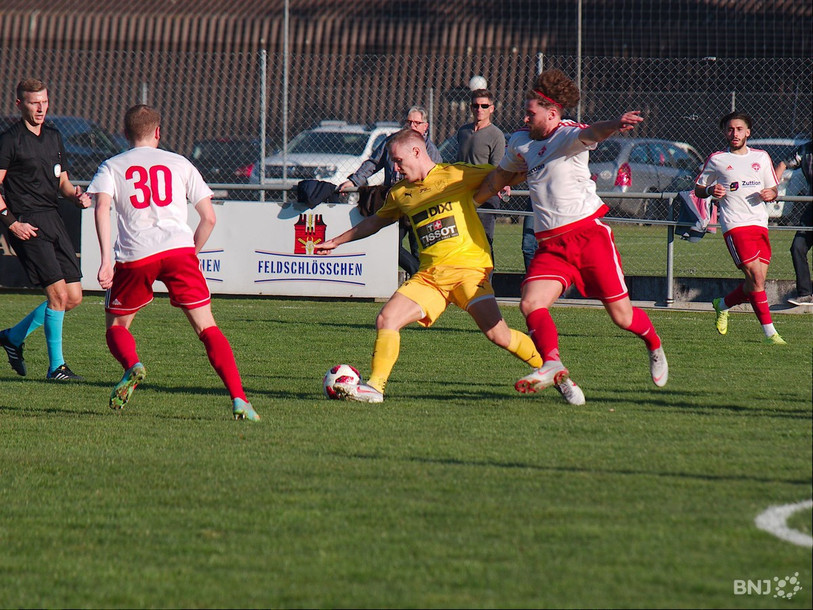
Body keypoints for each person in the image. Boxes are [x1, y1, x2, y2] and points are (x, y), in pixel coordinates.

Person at [315, 128, 574, 404]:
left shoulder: (456, 174)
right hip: (429, 278)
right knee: (386, 319)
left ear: (416, 152)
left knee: (498, 335)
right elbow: (376, 221)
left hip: (469, 272)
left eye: (398, 161)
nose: (395, 168)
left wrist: (534, 167)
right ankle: (375, 388)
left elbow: (503, 174)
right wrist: (337, 241)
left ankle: (557, 375)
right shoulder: (400, 193)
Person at [474, 68, 668, 401]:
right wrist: (469, 202)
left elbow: (593, 132)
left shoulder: (567, 135)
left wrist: (615, 124)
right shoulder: (520, 141)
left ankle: (654, 343)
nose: (525, 117)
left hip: (589, 238)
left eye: (531, 113)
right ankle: (552, 364)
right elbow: (498, 178)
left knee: (622, 317)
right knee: (530, 303)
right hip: (551, 246)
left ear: (552, 114)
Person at [87, 104, 259, 421]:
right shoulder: (180, 163)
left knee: (117, 327)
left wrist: (106, 261)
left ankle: (132, 365)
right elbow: (209, 218)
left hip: (136, 254)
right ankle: (240, 400)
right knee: (207, 328)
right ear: (158, 132)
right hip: (179, 250)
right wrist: (190, 253)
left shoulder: (112, 166)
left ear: (125, 133)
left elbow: (101, 209)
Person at [0, 79, 91, 380]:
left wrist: (76, 196)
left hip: (54, 219)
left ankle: (12, 337)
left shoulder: (54, 136)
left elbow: (63, 182)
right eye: (33, 103)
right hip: (27, 223)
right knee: (57, 295)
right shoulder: (10, 140)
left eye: (44, 102)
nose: (40, 108)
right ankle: (56, 368)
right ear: (19, 105)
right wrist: (13, 223)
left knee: (73, 297)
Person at [696, 112, 785, 344]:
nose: (734, 133)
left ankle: (723, 304)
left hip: (759, 224)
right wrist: (710, 190)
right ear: (725, 133)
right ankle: (770, 334)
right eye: (730, 129)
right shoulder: (717, 159)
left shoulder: (761, 157)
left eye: (739, 129)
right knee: (756, 278)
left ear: (748, 132)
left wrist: (771, 193)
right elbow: (698, 188)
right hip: (735, 224)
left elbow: (773, 188)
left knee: (755, 283)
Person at [338, 106, 442, 278]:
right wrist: (354, 181)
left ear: (426, 126)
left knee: (419, 249)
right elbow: (373, 163)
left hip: (418, 204)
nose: (412, 126)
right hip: (395, 202)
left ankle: (420, 282)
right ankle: (417, 274)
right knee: (392, 247)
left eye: (417, 123)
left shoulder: (430, 150)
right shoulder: (393, 142)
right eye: (409, 122)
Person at [455, 89, 507, 265]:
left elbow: (497, 170)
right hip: (463, 195)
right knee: (462, 242)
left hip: (486, 196)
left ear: (491, 109)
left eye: (484, 106)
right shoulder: (463, 132)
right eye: (476, 105)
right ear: (471, 108)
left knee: (484, 242)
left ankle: (487, 280)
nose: (479, 109)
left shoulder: (496, 135)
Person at [775, 139, 812, 307]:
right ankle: (805, 294)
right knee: (798, 247)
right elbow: (783, 164)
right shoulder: (805, 150)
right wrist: (772, 186)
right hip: (811, 208)